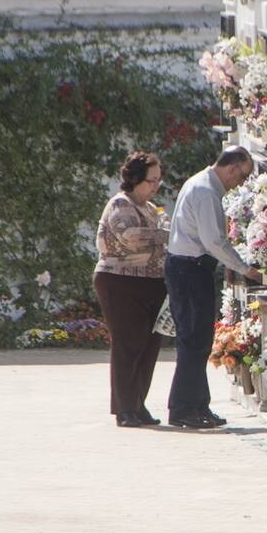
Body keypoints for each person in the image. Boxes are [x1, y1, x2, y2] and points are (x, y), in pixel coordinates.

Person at [164, 147, 262, 428]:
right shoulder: (206, 191)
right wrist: (245, 269)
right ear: (232, 168)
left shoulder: (199, 182)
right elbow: (214, 241)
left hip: (188, 267)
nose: (239, 184)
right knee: (193, 341)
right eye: (241, 177)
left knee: (198, 341)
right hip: (190, 269)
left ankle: (196, 406)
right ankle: (184, 409)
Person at [93, 151, 170, 427]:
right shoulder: (120, 205)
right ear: (135, 178)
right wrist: (164, 236)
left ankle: (138, 404)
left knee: (149, 347)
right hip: (120, 282)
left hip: (151, 283)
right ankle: (124, 409)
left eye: (158, 180)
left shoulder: (150, 209)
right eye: (151, 180)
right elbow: (131, 238)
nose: (155, 186)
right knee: (128, 345)